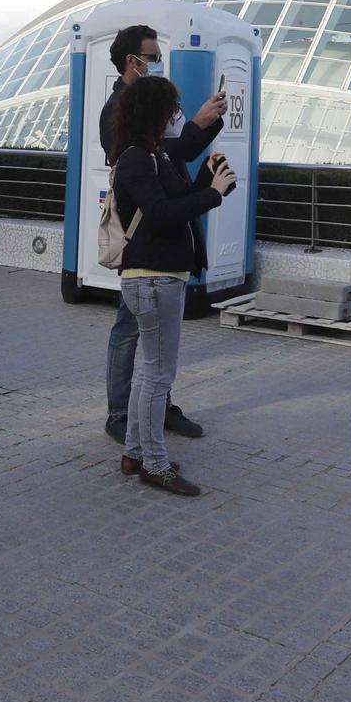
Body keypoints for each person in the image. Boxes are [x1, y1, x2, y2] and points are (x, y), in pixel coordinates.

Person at [97, 24, 228, 445]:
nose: (157, 63)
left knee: (155, 343)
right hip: (145, 249)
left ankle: (156, 405)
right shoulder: (119, 108)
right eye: (153, 56)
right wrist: (195, 129)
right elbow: (142, 157)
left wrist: (205, 124)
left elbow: (176, 154)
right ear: (132, 61)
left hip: (166, 249)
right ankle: (122, 414)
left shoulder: (151, 106)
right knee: (130, 331)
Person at [110, 75, 237, 497]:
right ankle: (155, 464)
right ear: (156, 114)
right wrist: (213, 196)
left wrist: (208, 178)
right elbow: (163, 214)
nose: (177, 117)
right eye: (172, 110)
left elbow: (181, 199)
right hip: (152, 279)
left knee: (149, 374)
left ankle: (134, 454)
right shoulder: (134, 158)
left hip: (161, 277)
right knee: (158, 377)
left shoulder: (156, 155)